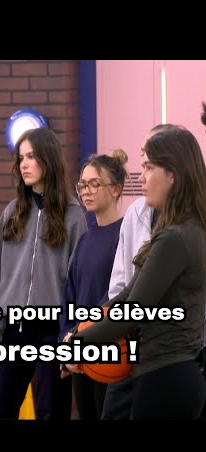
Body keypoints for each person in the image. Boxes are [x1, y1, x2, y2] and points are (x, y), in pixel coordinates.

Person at [70, 125, 206, 419]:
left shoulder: (176, 237)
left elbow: (132, 311)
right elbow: (127, 295)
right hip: (163, 374)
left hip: (167, 377)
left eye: (149, 167)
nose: (140, 177)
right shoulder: (181, 229)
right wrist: (82, 332)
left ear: (173, 174)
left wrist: (77, 346)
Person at [0, 127, 87, 420]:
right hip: (13, 330)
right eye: (21, 158)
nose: (24, 164)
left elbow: (78, 282)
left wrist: (72, 333)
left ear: (48, 160)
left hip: (55, 329)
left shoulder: (74, 215)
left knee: (51, 412)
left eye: (31, 157)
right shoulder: (12, 213)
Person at [100, 124, 174, 420]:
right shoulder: (136, 212)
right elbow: (121, 283)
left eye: (149, 162)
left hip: (170, 349)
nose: (142, 169)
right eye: (143, 157)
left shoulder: (187, 225)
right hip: (130, 340)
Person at [59, 148, 128, 419]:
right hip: (80, 351)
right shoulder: (85, 240)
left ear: (116, 189)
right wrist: (67, 340)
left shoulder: (125, 235)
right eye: (82, 185)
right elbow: (70, 296)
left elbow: (116, 293)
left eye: (94, 184)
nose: (86, 191)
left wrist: (82, 333)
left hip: (110, 349)